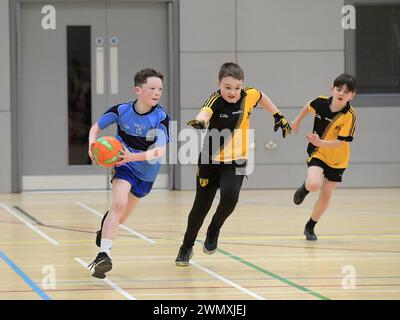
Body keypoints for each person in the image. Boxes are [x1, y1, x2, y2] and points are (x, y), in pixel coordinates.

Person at [175, 62, 292, 266]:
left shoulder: (249, 95)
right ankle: (186, 247)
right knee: (200, 208)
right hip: (209, 162)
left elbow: (262, 96)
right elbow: (205, 112)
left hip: (237, 159)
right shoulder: (215, 100)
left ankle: (214, 229)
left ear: (242, 85)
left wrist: (278, 115)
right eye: (227, 87)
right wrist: (200, 121)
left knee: (230, 197)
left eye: (237, 88)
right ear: (219, 83)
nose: (232, 92)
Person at [87, 68, 170, 278]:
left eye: (160, 89)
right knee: (118, 204)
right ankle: (103, 256)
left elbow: (159, 151)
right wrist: (92, 146)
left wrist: (132, 156)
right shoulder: (121, 110)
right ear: (138, 90)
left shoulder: (161, 117)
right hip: (123, 165)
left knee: (120, 218)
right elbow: (96, 127)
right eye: (152, 88)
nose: (157, 92)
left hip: (146, 172)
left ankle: (104, 229)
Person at [291, 73, 357, 241]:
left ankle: (310, 226)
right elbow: (308, 106)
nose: (341, 93)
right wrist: (297, 121)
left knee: (326, 195)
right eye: (339, 89)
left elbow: (340, 143)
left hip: (338, 159)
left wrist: (320, 141)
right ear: (332, 89)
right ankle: (304, 188)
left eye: (347, 91)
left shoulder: (349, 116)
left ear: (352, 95)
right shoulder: (320, 102)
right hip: (317, 152)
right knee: (314, 184)